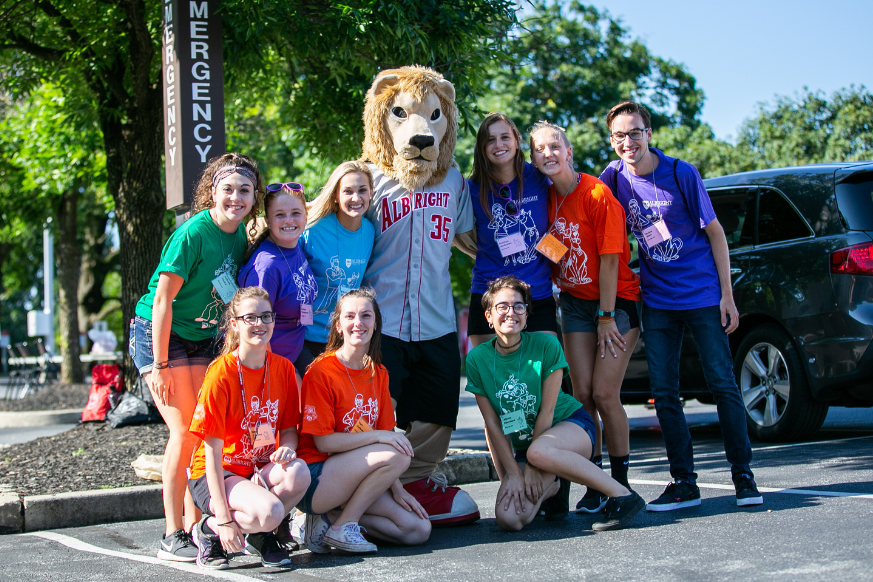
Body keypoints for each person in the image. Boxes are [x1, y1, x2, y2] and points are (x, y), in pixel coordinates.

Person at [599, 100, 762, 509]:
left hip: (703, 295)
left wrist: (727, 295)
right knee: (665, 392)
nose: (628, 141)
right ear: (612, 140)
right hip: (657, 299)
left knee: (723, 385)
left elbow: (717, 235)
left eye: (635, 132)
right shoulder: (614, 177)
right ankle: (684, 483)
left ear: (649, 133)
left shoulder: (680, 172)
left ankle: (744, 479)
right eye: (619, 135)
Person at [130, 153, 263, 561]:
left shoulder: (240, 235)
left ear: (254, 197)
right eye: (228, 189)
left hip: (203, 338)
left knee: (207, 431)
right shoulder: (192, 233)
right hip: (161, 336)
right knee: (184, 432)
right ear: (212, 191)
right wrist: (160, 365)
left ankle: (195, 526)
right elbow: (162, 302)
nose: (236, 197)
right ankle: (172, 533)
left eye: (244, 191)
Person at [465, 276, 644, 532]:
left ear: (527, 315)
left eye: (518, 306)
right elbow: (492, 424)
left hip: (570, 428)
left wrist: (531, 467)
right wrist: (513, 476)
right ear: (488, 316)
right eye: (502, 306)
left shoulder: (546, 345)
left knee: (539, 452)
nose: (511, 312)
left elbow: (548, 412)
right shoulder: (476, 360)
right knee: (509, 519)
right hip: (532, 448)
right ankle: (554, 487)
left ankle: (623, 496)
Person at [529, 121, 641, 514]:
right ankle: (593, 482)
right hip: (574, 304)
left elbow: (610, 261)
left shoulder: (597, 194)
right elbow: (551, 251)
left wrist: (608, 316)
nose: (548, 154)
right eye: (540, 149)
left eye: (554, 146)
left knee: (606, 394)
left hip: (615, 303)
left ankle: (621, 484)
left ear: (569, 150)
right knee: (581, 395)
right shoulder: (544, 198)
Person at [363, 155, 481, 526]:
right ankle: (364, 486)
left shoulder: (451, 176)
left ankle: (414, 483)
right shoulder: (369, 174)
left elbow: (467, 234)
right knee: (372, 412)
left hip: (436, 316)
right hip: (382, 318)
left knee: (440, 406)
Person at [295, 288, 431, 553]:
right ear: (338, 325)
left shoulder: (378, 373)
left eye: (366, 316)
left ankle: (326, 522)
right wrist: (379, 436)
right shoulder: (321, 371)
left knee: (417, 530)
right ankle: (344, 526)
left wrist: (398, 489)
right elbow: (323, 443)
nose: (358, 323)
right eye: (350, 316)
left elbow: (385, 440)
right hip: (318, 479)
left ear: (376, 323)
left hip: (358, 474)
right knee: (397, 450)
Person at [187, 287, 310, 570]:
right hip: (215, 473)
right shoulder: (221, 374)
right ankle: (208, 530)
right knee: (271, 512)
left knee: (299, 472)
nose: (260, 324)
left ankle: (259, 533)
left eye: (266, 316)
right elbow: (212, 454)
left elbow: (289, 429)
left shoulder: (283, 369)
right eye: (250, 317)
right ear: (234, 323)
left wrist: (288, 447)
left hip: (255, 468)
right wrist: (224, 518)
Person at [467, 113, 556, 348]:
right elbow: (459, 235)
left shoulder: (540, 177)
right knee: (490, 380)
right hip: (489, 297)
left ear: (517, 140)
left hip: (537, 296)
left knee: (544, 376)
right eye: (490, 140)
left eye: (505, 137)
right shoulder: (471, 188)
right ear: (482, 148)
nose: (499, 145)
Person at [297, 161, 376, 372]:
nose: (356, 198)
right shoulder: (312, 230)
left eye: (362, 190)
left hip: (345, 339)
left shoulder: (370, 231)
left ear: (371, 193)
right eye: (348, 191)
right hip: (306, 338)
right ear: (335, 195)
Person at [238, 181, 317, 384]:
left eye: (295, 213)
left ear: (305, 216)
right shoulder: (266, 267)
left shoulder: (294, 245)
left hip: (296, 352)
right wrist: (281, 376)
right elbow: (254, 329)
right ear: (268, 220)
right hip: (272, 364)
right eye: (280, 215)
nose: (288, 220)